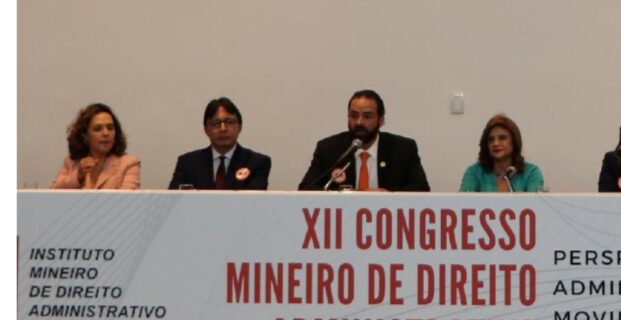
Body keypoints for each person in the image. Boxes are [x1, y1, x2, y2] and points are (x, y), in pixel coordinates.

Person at [298, 89, 430, 191]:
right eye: (353, 115)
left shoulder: (403, 149)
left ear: (381, 120)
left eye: (367, 116)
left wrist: (387, 196)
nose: (359, 122)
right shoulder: (328, 148)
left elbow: (421, 190)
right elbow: (305, 189)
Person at [168, 97, 271, 190]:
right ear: (206, 130)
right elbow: (174, 200)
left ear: (239, 127)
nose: (223, 129)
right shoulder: (188, 163)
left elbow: (253, 203)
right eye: (215, 123)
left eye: (229, 122)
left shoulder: (257, 163)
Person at [51, 103, 140, 190]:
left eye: (110, 128)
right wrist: (79, 175)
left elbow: (127, 200)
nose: (106, 133)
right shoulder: (71, 163)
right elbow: (53, 193)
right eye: (97, 129)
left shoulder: (129, 163)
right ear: (85, 135)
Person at [460, 114, 544, 192]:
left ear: (514, 142)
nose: (495, 143)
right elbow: (463, 203)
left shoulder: (530, 173)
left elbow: (535, 205)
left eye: (502, 138)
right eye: (491, 139)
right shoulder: (474, 172)